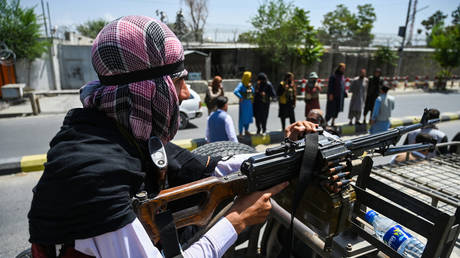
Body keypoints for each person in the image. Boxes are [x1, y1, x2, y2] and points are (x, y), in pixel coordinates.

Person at [27, 16, 294, 258]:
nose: (187, 93)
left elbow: (217, 167)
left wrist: (287, 152)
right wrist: (237, 221)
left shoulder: (122, 135)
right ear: (151, 89)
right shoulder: (97, 173)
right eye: (179, 81)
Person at [234, 71, 254, 136]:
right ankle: (240, 133)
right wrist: (240, 97)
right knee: (242, 118)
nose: (250, 78)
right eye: (249, 77)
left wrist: (250, 87)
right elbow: (236, 91)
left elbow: (252, 91)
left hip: (249, 103)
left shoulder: (249, 84)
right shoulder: (241, 84)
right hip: (243, 103)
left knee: (248, 117)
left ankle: (246, 131)